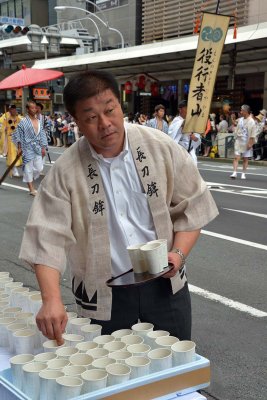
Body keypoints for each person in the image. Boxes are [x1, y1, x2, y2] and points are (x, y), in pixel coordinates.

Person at [19, 70, 218, 345]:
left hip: (165, 282)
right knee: (108, 373)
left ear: (120, 106)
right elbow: (46, 235)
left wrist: (179, 253)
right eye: (90, 118)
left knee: (173, 365)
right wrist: (51, 299)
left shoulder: (158, 146)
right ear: (76, 122)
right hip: (101, 291)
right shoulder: (65, 170)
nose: (105, 124)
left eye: (110, 110)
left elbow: (193, 206)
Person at [12, 101, 48, 195]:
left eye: (35, 108)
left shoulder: (39, 121)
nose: (34, 109)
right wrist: (19, 147)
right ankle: (31, 189)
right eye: (32, 108)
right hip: (26, 147)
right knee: (28, 168)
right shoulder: (23, 121)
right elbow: (17, 134)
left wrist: (43, 147)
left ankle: (30, 177)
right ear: (27, 109)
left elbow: (42, 134)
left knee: (39, 168)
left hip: (37, 147)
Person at [168, 100, 201, 165]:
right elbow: (171, 134)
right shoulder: (176, 120)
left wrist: (195, 138)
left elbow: (197, 138)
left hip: (190, 149)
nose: (188, 110)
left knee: (192, 168)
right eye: (186, 108)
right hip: (179, 148)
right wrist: (183, 124)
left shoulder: (192, 121)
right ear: (180, 110)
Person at [230, 104, 257, 180]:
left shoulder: (251, 121)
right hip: (239, 140)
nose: (240, 111)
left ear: (245, 111)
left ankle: (243, 173)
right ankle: (234, 172)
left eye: (242, 110)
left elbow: (253, 134)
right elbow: (235, 123)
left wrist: (250, 143)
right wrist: (233, 118)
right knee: (236, 157)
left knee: (245, 158)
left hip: (246, 141)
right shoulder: (240, 119)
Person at [0, 105, 22, 177]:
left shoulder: (18, 118)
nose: (14, 111)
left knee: (18, 154)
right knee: (12, 154)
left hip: (17, 139)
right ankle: (14, 169)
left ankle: (13, 168)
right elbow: (1, 128)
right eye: (12, 109)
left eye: (15, 109)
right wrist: (4, 128)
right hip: (9, 139)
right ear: (9, 110)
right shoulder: (4, 117)